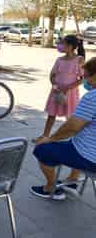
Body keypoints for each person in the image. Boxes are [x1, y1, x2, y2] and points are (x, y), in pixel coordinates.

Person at [31, 57, 96, 200]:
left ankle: (50, 188)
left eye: (86, 77)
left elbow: (72, 127)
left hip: (90, 157)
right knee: (75, 141)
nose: (86, 81)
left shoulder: (92, 97)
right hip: (88, 149)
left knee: (42, 149)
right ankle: (72, 180)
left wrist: (49, 138)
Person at [33, 35, 85, 143]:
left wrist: (68, 88)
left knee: (70, 117)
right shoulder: (59, 60)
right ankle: (45, 136)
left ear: (70, 46)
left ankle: (74, 139)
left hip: (70, 94)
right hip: (56, 92)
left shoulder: (79, 60)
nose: (60, 46)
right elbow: (52, 75)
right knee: (51, 114)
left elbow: (82, 78)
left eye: (63, 43)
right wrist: (54, 85)